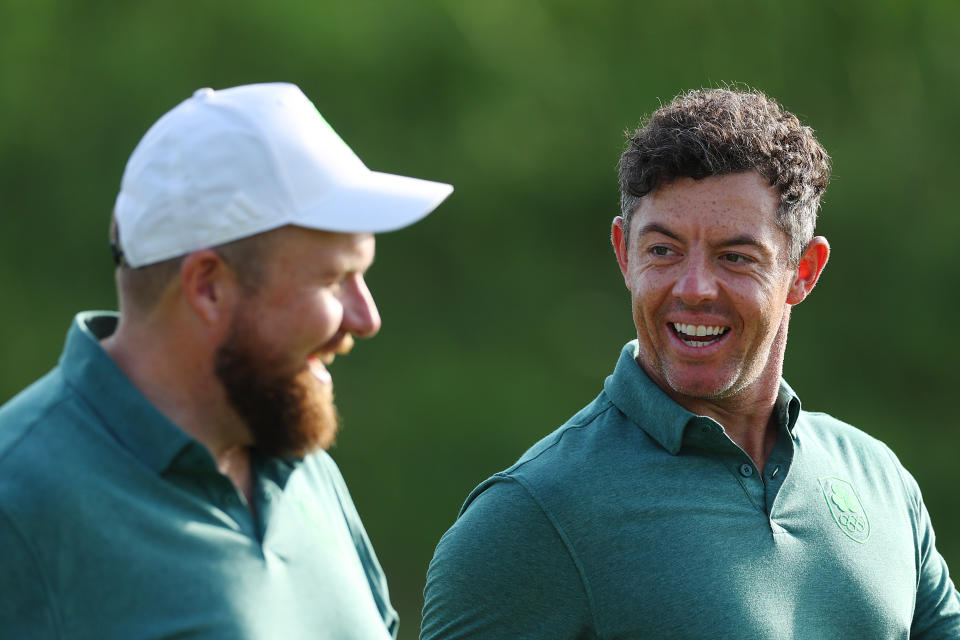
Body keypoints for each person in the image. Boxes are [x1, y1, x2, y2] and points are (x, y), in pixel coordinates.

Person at [421, 88, 959, 639]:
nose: (695, 288)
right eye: (663, 250)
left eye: (735, 257)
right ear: (623, 252)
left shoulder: (878, 478)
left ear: (804, 271)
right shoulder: (528, 517)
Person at [0, 82, 452, 639]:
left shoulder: (305, 470)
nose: (366, 318)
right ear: (208, 286)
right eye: (334, 280)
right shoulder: (17, 502)